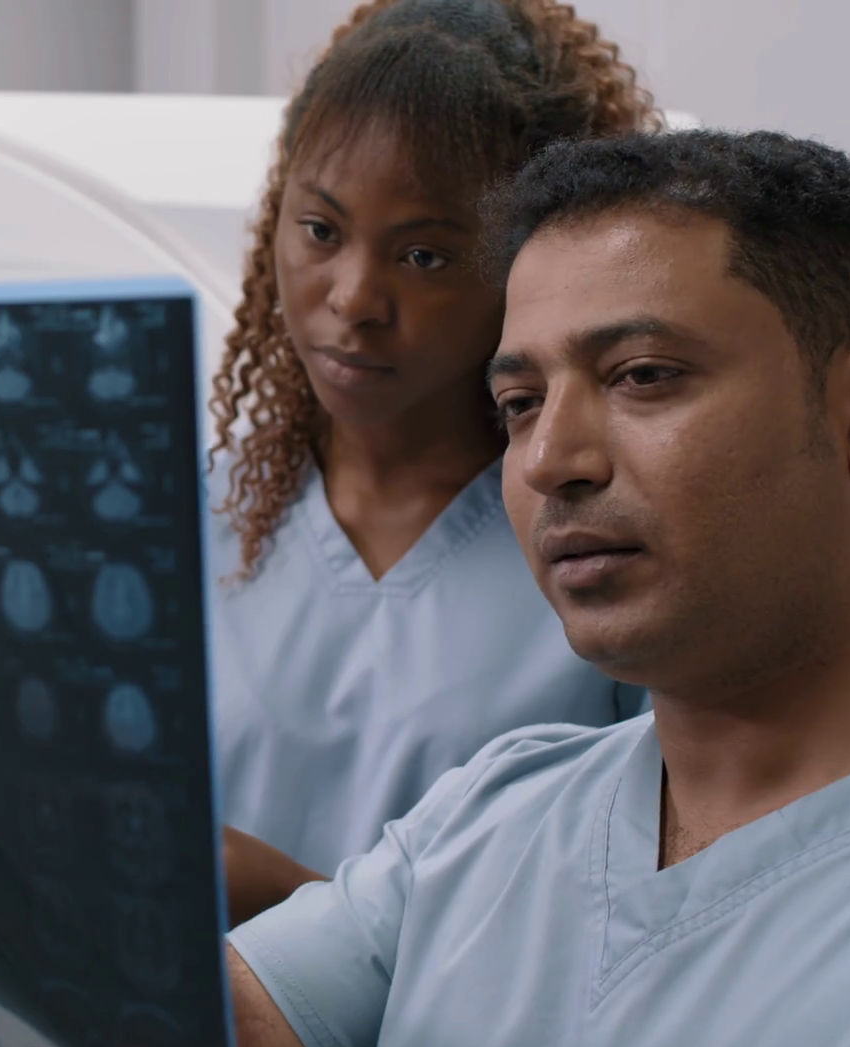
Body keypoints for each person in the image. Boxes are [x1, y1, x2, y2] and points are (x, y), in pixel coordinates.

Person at [99, 130, 850, 1047]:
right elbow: (175, 1036)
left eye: (641, 377)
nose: (551, 459)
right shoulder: (491, 822)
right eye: (520, 403)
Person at [207, 0, 654, 920]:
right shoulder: (179, 517)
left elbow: (642, 930)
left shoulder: (606, 549)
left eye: (422, 255)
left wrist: (295, 914)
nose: (354, 299)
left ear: (530, 263)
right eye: (321, 230)